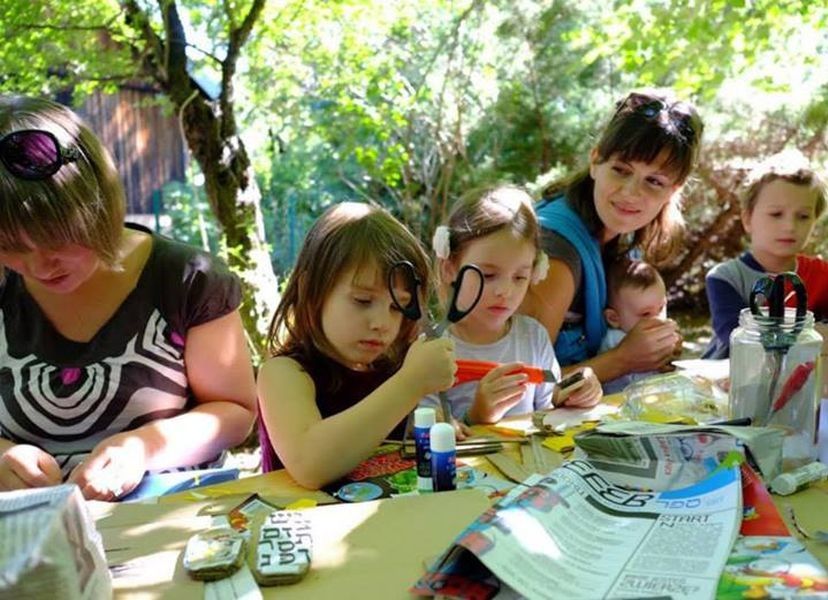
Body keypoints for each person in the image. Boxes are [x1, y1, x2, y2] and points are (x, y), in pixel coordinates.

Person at [0, 96, 257, 500]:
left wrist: (142, 447)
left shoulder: (188, 279)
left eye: (58, 237)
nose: (39, 265)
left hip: (166, 517)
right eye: (10, 246)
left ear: (98, 203)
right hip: (30, 536)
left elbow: (237, 414)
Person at [257, 202, 456, 489]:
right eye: (363, 300)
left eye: (397, 307)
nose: (382, 322)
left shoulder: (388, 367)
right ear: (310, 289)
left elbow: (381, 433)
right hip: (307, 526)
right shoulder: (283, 373)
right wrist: (410, 383)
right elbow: (310, 465)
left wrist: (426, 424)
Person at [520, 89, 703, 394]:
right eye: (621, 170)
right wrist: (623, 359)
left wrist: (653, 344)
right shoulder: (557, 256)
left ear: (674, 189)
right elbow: (521, 385)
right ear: (595, 161)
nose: (631, 192)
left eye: (654, 181)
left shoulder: (616, 237)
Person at [420, 185, 602, 426]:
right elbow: (426, 435)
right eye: (487, 274)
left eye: (519, 277)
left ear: (535, 272)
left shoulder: (533, 336)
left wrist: (577, 394)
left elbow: (548, 411)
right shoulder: (429, 349)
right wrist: (476, 417)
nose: (505, 291)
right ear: (450, 267)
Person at [704, 149, 828, 358]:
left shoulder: (822, 275)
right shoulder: (726, 278)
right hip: (732, 382)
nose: (789, 226)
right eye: (776, 214)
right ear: (747, 219)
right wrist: (811, 335)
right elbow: (741, 340)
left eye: (803, 216)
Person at [600, 258, 668, 394]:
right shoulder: (615, 341)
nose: (658, 319)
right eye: (645, 314)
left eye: (661, 308)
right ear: (613, 318)